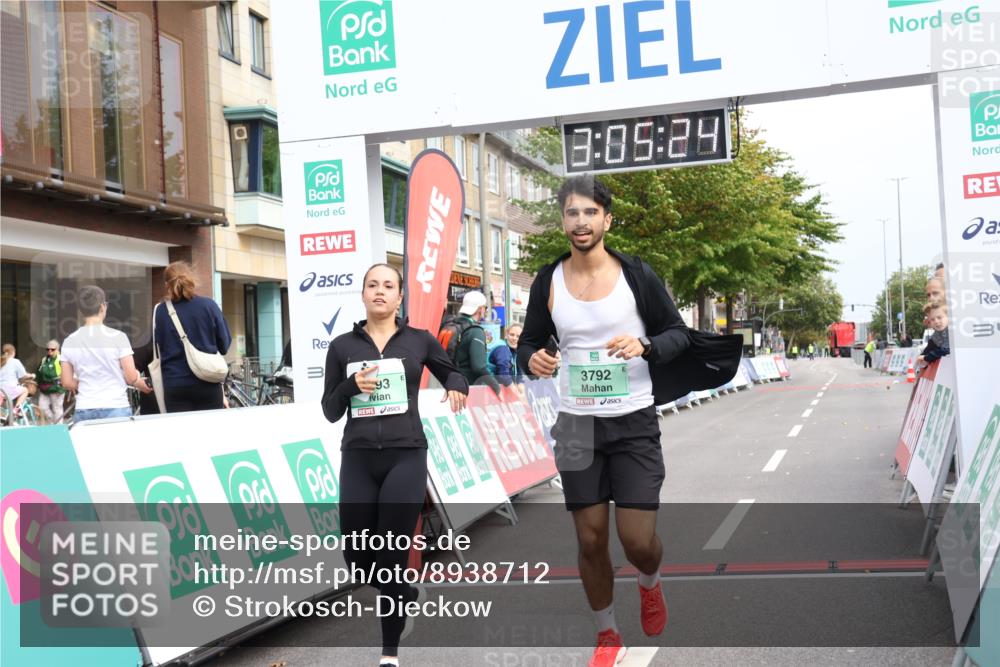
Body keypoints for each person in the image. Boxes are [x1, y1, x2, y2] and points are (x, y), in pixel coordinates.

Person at [517, 176, 740, 667]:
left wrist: (646, 345)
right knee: (590, 538)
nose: (581, 222)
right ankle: (608, 634)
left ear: (606, 220)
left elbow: (677, 333)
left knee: (638, 543)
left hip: (633, 421)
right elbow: (528, 343)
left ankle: (649, 581)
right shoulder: (547, 281)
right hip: (575, 424)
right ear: (563, 221)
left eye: (590, 213)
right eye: (572, 213)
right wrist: (532, 358)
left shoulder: (636, 275)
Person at [322, 263, 469, 667]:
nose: (380, 291)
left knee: (390, 554)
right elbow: (330, 410)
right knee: (356, 555)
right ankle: (405, 592)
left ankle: (389, 654)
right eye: (372, 285)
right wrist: (351, 387)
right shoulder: (342, 347)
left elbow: (452, 373)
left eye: (389, 285)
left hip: (406, 456)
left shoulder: (419, 340)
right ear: (363, 294)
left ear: (400, 296)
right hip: (358, 458)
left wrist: (457, 388)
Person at [60, 285, 151, 423]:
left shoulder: (69, 341)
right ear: (102, 306)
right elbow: (131, 376)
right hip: (116, 406)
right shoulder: (118, 337)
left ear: (81, 310)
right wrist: (137, 377)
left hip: (85, 407)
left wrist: (87, 383)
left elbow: (66, 382)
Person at [153, 262, 232, 413]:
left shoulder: (160, 311)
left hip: (175, 384)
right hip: (208, 382)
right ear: (191, 280)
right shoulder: (209, 306)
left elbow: (157, 346)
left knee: (182, 435)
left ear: (166, 284)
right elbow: (224, 345)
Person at [453, 291, 501, 394]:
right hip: (467, 389)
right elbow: (479, 367)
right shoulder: (476, 331)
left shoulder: (451, 324)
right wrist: (496, 386)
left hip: (447, 385)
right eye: (485, 308)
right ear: (481, 309)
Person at [36, 340, 67, 424]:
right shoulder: (44, 360)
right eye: (48, 349)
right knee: (42, 408)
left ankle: (58, 427)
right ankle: (54, 423)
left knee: (57, 409)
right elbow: (38, 372)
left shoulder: (61, 359)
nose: (50, 351)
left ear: (57, 349)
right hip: (44, 388)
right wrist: (36, 382)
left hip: (57, 388)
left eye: (52, 349)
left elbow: (68, 372)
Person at [0, 343, 31, 416]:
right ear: (13, 352)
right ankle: (16, 409)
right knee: (25, 390)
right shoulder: (15, 361)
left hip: (1, 390)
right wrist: (31, 375)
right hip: (9, 388)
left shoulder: (1, 361)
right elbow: (24, 375)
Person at [918, 300, 950, 367]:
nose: (936, 321)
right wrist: (922, 357)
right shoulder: (936, 335)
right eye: (932, 319)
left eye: (939, 317)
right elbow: (928, 350)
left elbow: (946, 350)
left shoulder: (952, 332)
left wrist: (925, 357)